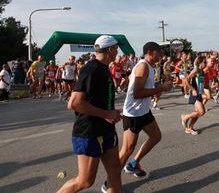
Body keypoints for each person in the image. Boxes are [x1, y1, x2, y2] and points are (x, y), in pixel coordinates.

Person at [57, 35, 122, 193]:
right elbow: (74, 103)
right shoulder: (91, 68)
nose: (118, 51)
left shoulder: (103, 67)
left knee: (114, 171)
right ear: (111, 49)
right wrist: (107, 113)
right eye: (117, 48)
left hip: (106, 129)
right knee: (85, 181)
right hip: (90, 131)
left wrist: (111, 113)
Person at [113, 42, 172, 188]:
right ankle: (110, 182)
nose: (161, 55)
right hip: (133, 114)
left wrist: (160, 89)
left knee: (156, 136)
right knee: (127, 149)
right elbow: (137, 93)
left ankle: (133, 163)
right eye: (159, 52)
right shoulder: (143, 66)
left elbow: (146, 91)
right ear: (150, 52)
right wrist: (161, 88)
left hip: (144, 112)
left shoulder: (150, 67)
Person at [181, 56, 210, 135]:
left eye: (206, 62)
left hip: (199, 94)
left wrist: (207, 88)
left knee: (197, 112)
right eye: (204, 62)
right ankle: (185, 116)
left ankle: (189, 128)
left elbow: (201, 83)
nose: (206, 64)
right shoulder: (196, 70)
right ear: (200, 63)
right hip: (195, 94)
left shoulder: (202, 71)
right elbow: (186, 80)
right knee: (201, 112)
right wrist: (193, 89)